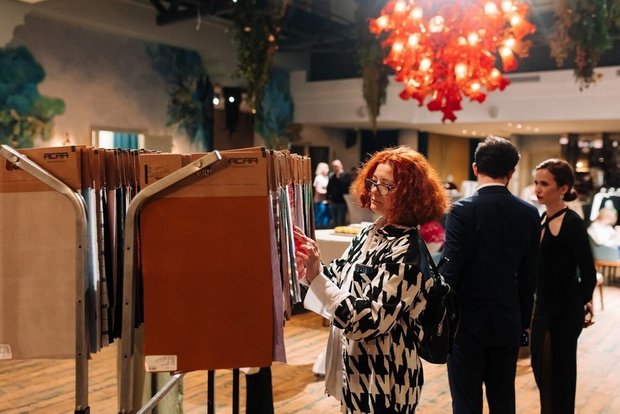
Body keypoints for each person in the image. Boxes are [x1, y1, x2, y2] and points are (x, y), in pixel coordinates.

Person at [294, 146, 449, 413]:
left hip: (385, 383)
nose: (375, 190)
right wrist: (308, 268)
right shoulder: (369, 233)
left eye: (386, 185)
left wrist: (317, 275)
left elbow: (365, 321)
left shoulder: (407, 252)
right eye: (373, 182)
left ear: (409, 194)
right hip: (355, 375)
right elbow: (337, 277)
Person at [439, 136, 540, 414]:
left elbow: (451, 271)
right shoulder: (529, 213)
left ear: (475, 168)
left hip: (467, 321)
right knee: (503, 399)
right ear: (511, 172)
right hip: (508, 318)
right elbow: (529, 275)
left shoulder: (461, 210)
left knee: (466, 402)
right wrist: (523, 321)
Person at [530, 159, 597, 414]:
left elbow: (588, 273)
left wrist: (581, 303)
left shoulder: (572, 222)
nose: (538, 189)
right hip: (542, 309)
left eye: (544, 184)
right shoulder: (540, 219)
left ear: (563, 188)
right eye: (536, 182)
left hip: (564, 313)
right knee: (541, 371)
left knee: (558, 378)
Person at [326, 159, 351, 227]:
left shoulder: (346, 175)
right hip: (333, 202)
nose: (335, 168)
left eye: (336, 166)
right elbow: (329, 188)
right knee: (334, 222)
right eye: (333, 166)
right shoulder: (332, 177)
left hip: (342, 202)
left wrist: (338, 176)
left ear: (341, 166)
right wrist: (328, 198)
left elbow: (344, 187)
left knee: (340, 221)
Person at [313, 162, 331, 229]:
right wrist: (328, 192)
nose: (328, 170)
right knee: (320, 218)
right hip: (320, 201)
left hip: (326, 201)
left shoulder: (326, 177)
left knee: (326, 219)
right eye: (326, 168)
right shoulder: (319, 178)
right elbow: (318, 190)